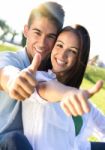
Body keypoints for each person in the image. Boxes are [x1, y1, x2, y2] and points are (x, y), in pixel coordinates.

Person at [22, 25, 105, 150]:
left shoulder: (82, 98)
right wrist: (67, 94)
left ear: (80, 58)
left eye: (72, 51)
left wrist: (73, 93)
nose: (62, 54)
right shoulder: (39, 78)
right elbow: (45, 89)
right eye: (59, 45)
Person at [0, 1, 65, 149]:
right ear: (26, 31)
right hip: (6, 142)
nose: (42, 43)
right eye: (37, 32)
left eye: (50, 36)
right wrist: (14, 81)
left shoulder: (53, 73)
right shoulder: (10, 59)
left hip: (39, 145)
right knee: (15, 139)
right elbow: (4, 73)